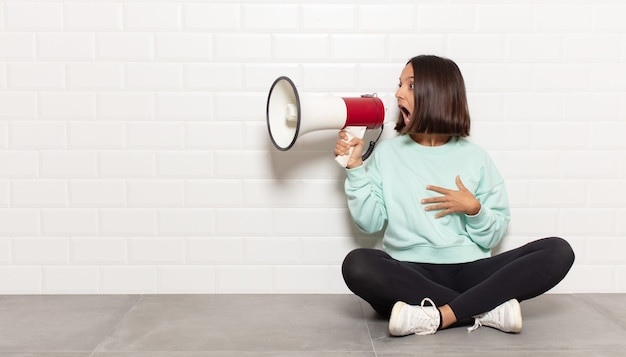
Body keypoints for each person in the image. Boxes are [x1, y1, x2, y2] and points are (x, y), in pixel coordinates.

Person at [334, 55, 575, 336]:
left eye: (410, 86)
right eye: (399, 85)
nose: (398, 93)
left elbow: (491, 237)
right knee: (358, 264)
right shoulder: (387, 154)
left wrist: (475, 210)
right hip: (410, 272)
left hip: (472, 271)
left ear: (438, 94)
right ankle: (483, 308)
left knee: (558, 251)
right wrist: (355, 168)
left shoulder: (475, 157)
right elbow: (370, 223)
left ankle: (437, 315)